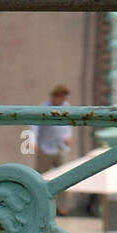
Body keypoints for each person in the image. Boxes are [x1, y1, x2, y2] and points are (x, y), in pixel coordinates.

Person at [30, 85, 74, 214]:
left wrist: (69, 136)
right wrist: (33, 141)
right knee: (41, 177)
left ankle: (62, 207)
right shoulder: (44, 107)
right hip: (46, 147)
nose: (62, 99)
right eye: (60, 96)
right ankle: (38, 205)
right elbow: (34, 125)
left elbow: (69, 123)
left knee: (64, 177)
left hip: (61, 147)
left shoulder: (66, 106)